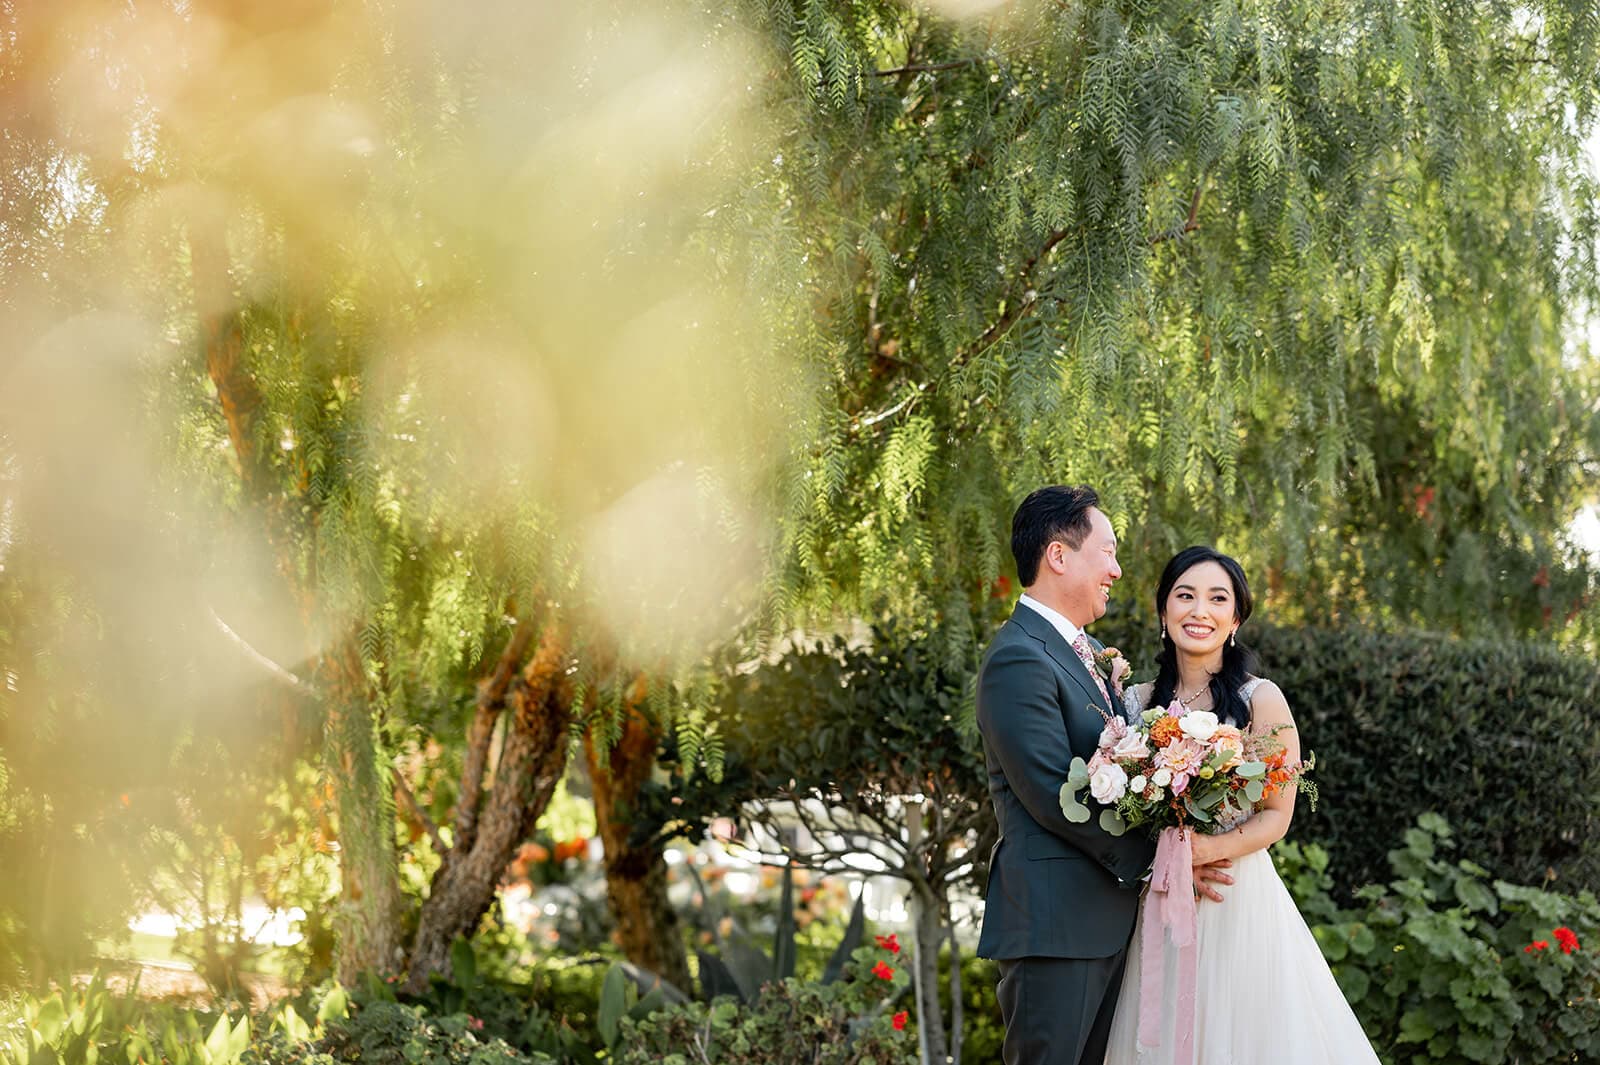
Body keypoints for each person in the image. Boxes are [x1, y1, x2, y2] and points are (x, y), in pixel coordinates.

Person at [975, 487, 1233, 1065]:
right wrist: (1160, 865)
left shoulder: (1085, 652)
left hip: (1103, 921)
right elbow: (1048, 792)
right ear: (1059, 556)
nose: (1117, 569)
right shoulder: (1019, 657)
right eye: (1108, 551)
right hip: (1055, 925)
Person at [1102, 545, 1380, 1064]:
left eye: (1216, 598)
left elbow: (1278, 814)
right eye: (1184, 596)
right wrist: (1164, 860)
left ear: (1235, 618)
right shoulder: (1134, 705)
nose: (1199, 610)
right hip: (1156, 899)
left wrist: (1205, 849)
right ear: (1164, 612)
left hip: (1236, 897)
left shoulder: (1261, 700)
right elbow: (1116, 811)